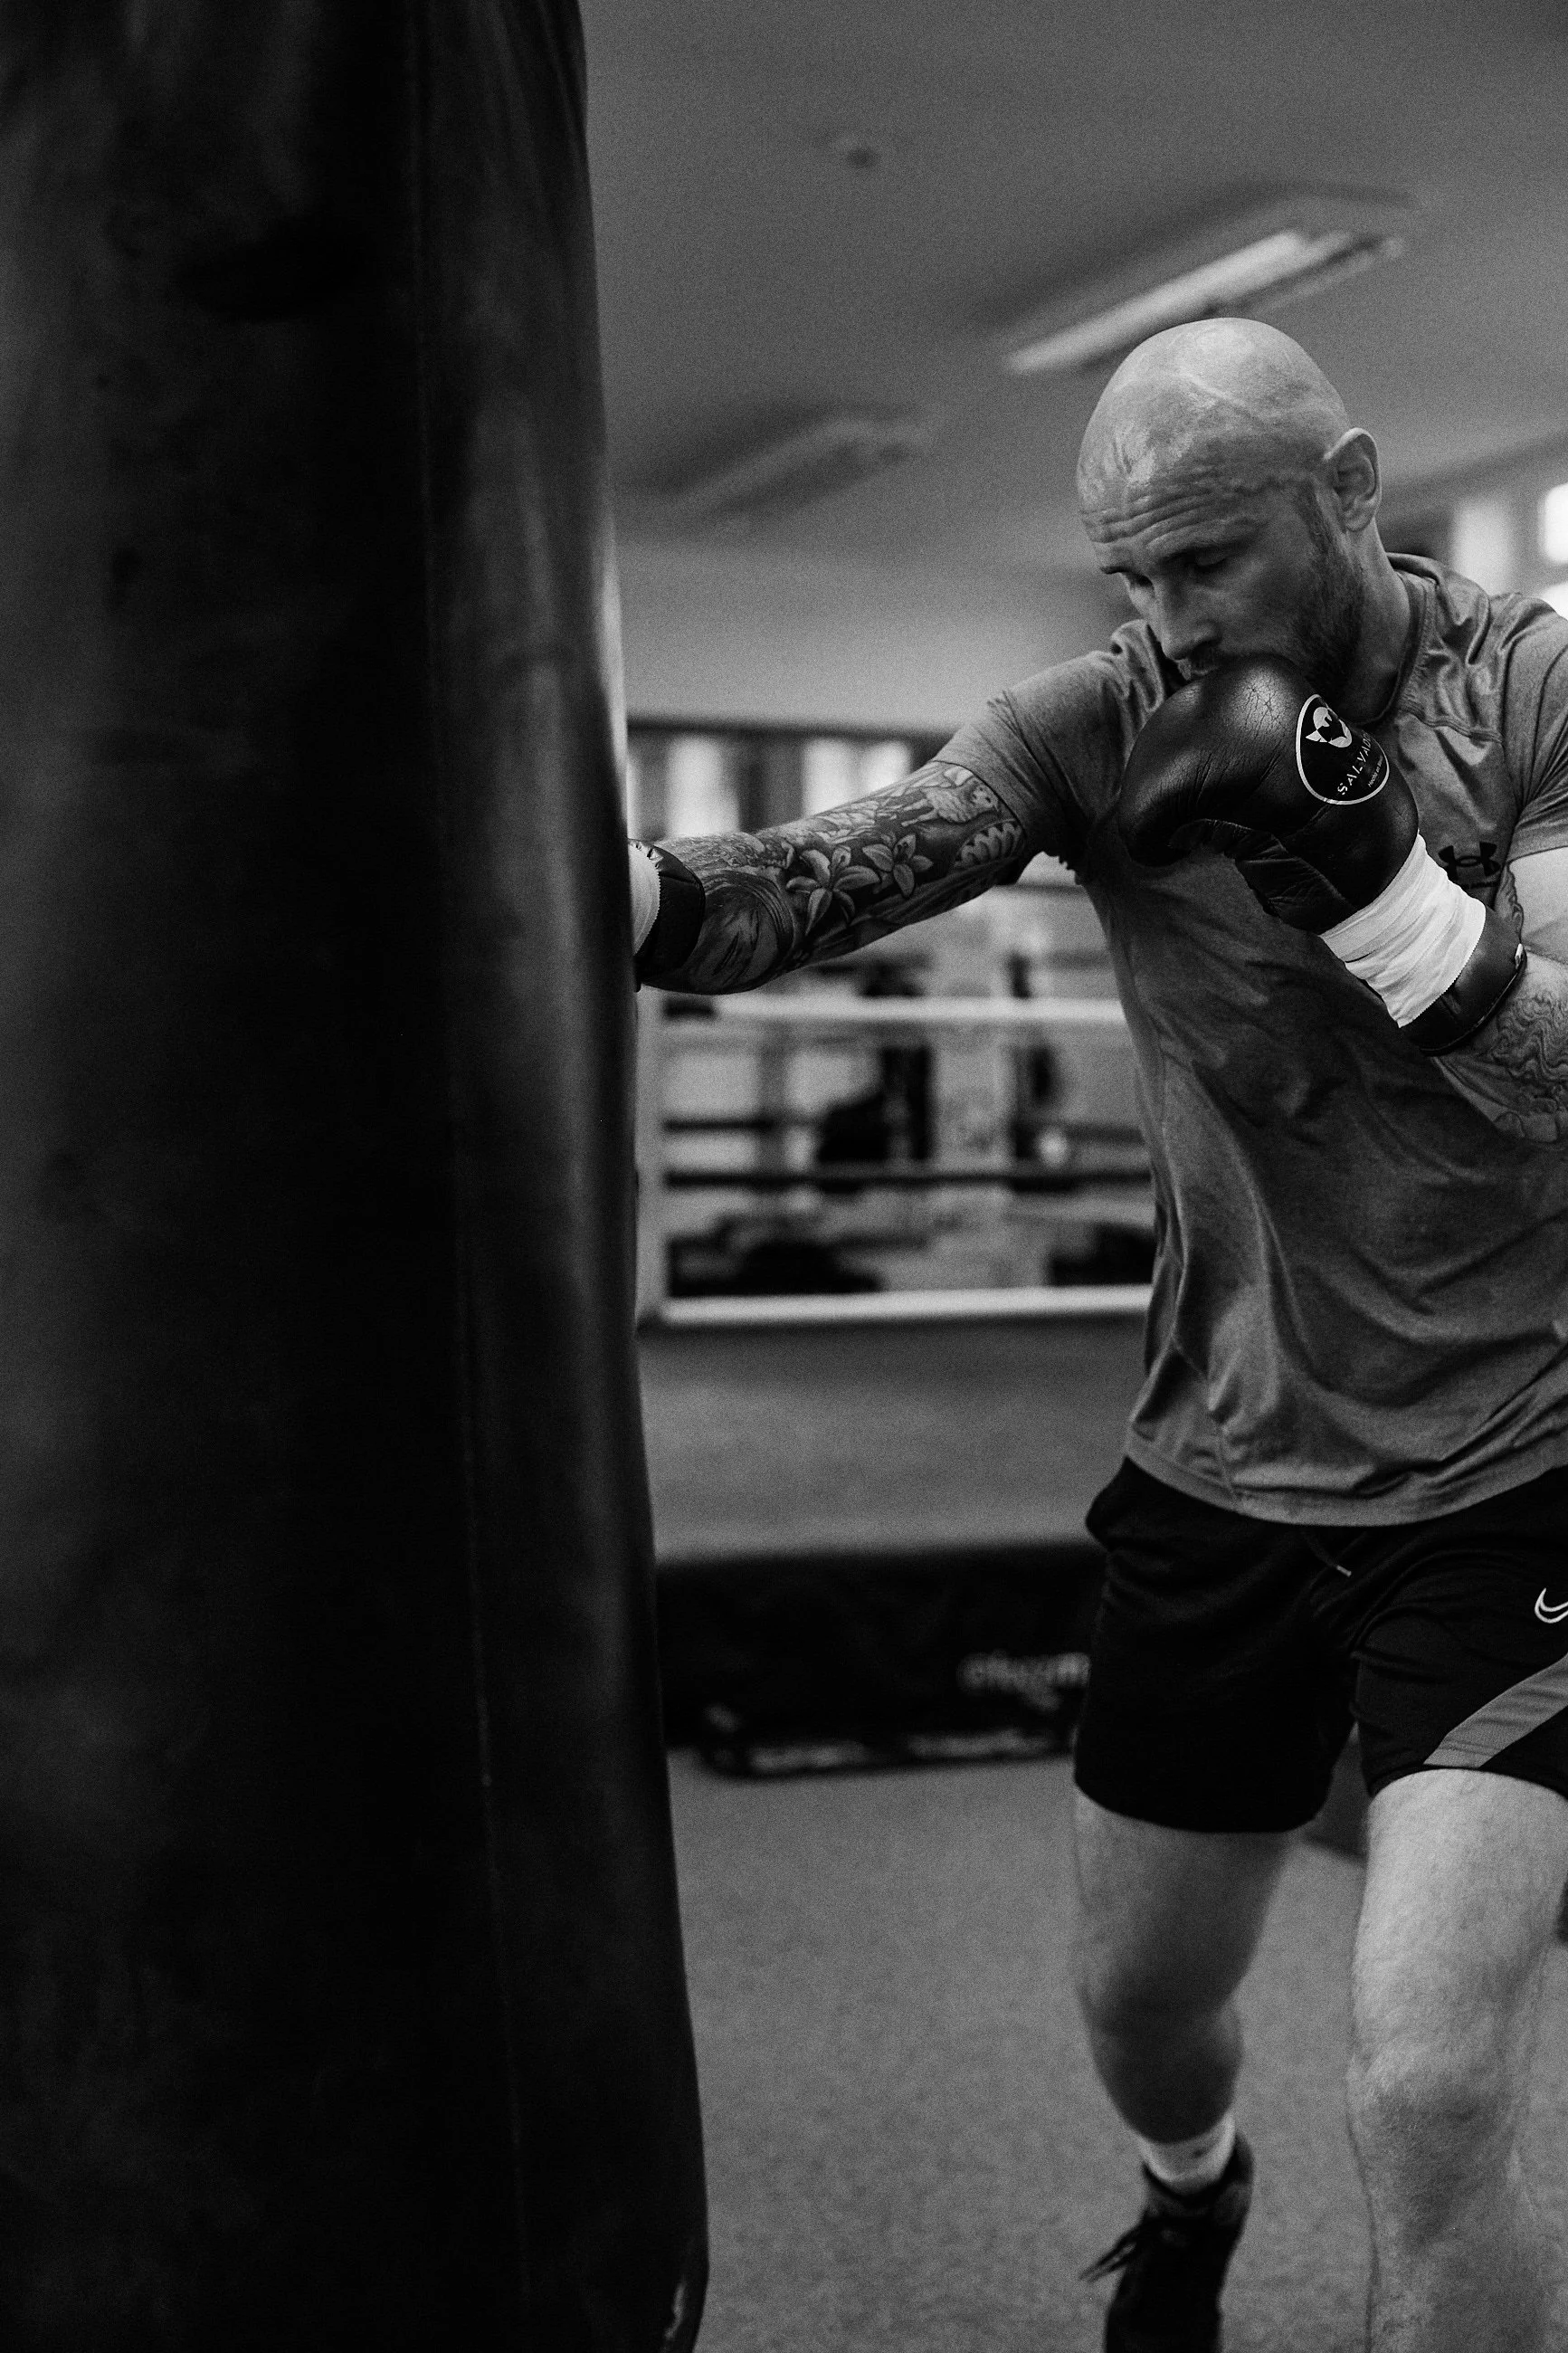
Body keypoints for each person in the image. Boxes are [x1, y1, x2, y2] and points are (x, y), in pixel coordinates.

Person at [626, 316, 1568, 2353]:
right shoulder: (1099, 717)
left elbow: (1564, 1076)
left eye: (1204, 561)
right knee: (1141, 2008)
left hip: (1517, 1470)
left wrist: (1376, 881)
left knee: (1428, 2080)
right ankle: (1190, 2189)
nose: (1165, 620)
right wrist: (588, 893)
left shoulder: (1533, 692)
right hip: (1218, 1462)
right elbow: (821, 876)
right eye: (1128, 575)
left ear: (1348, 491)